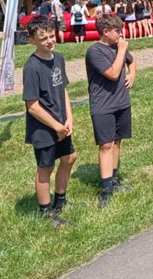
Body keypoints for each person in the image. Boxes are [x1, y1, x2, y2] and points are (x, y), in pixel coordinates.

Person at [22, 15, 76, 228]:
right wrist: (56, 126)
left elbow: (63, 90)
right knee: (46, 167)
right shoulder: (32, 67)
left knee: (69, 158)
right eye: (43, 38)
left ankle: (60, 201)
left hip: (62, 123)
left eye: (52, 35)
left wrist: (69, 118)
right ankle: (46, 212)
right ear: (31, 40)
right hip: (44, 128)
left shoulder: (59, 58)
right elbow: (32, 106)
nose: (49, 41)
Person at [85, 14, 137, 208]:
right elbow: (113, 74)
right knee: (106, 145)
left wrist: (133, 74)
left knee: (117, 142)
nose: (121, 34)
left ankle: (114, 180)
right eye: (117, 31)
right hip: (103, 105)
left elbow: (131, 61)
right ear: (105, 32)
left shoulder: (118, 46)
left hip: (121, 102)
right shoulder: (95, 52)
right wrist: (122, 49)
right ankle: (106, 188)